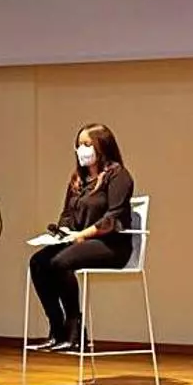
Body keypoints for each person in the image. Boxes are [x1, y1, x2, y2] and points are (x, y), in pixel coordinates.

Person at [27, 123, 135, 352]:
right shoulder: (78, 179)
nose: (81, 150)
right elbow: (67, 214)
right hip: (80, 242)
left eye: (87, 144)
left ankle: (75, 328)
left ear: (102, 146)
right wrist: (62, 232)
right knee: (38, 262)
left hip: (111, 245)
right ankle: (56, 328)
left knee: (61, 262)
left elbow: (112, 218)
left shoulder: (118, 175)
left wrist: (82, 235)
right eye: (78, 145)